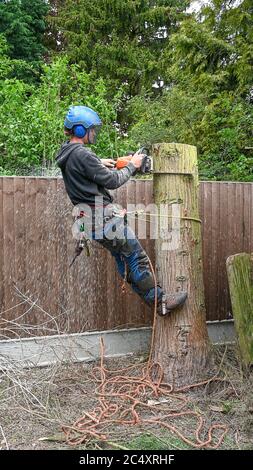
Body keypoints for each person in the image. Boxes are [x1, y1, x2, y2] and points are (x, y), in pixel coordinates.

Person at [56, 105, 187, 316]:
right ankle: (160, 301)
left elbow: (80, 168)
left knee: (124, 259)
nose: (94, 133)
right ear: (80, 130)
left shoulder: (66, 153)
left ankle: (155, 302)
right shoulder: (82, 154)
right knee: (136, 258)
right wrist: (133, 165)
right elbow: (113, 180)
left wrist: (99, 163)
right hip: (103, 220)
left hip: (89, 221)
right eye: (91, 129)